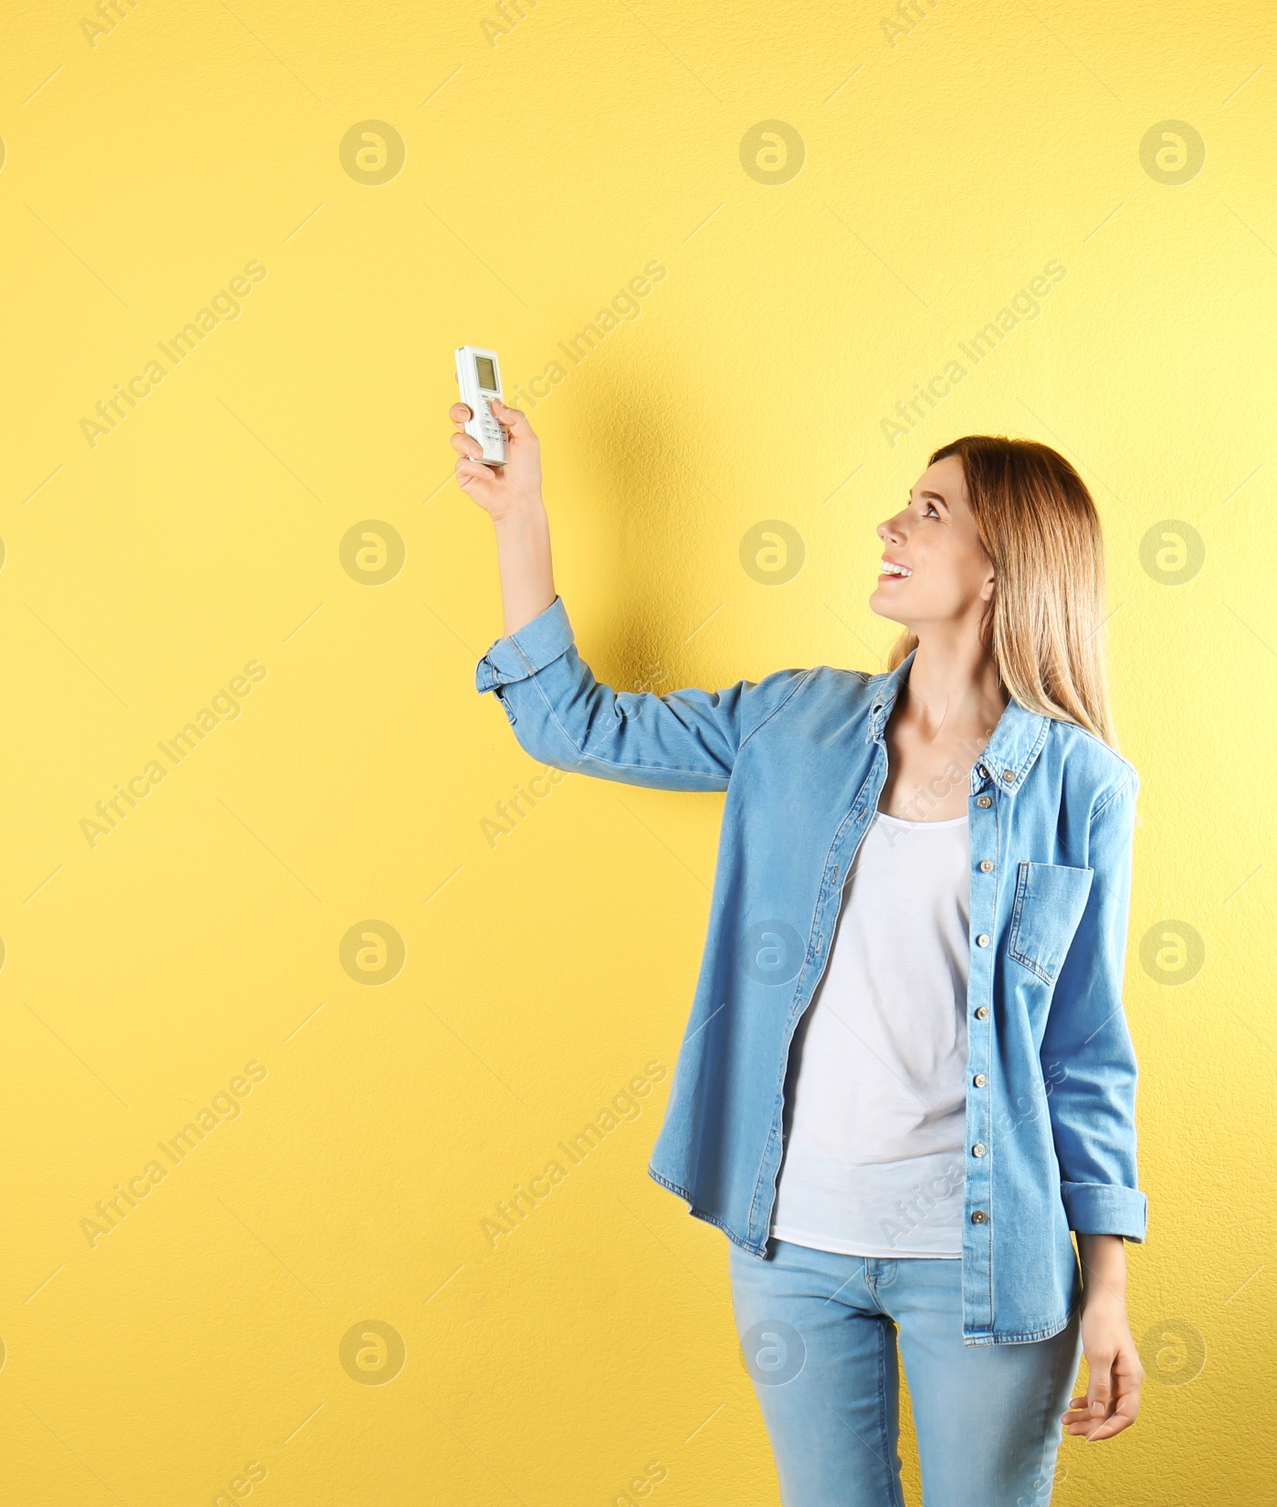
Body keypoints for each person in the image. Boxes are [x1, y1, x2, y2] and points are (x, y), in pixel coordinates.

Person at [453, 393, 1147, 1507]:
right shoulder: (793, 724)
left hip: (985, 1258)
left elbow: (1088, 1057)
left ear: (1002, 565)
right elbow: (571, 723)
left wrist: (1107, 1290)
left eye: (929, 510)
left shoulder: (1084, 787)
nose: (890, 526)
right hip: (792, 1244)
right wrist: (517, 513)